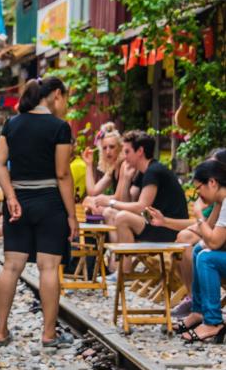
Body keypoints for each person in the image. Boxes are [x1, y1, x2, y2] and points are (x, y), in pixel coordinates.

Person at [0, 77, 77, 348]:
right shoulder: (60, 128)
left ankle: (0, 331)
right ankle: (49, 334)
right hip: (50, 202)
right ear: (55, 95)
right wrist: (72, 215)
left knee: (11, 266)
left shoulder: (12, 123)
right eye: (63, 97)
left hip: (18, 203)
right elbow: (63, 174)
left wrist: (11, 196)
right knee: (48, 267)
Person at [145, 148, 226, 318]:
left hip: (219, 247)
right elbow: (206, 227)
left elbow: (210, 236)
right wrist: (165, 221)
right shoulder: (218, 200)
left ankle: (208, 315)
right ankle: (197, 306)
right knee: (191, 243)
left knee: (203, 255)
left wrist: (196, 216)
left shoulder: (221, 197)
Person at [95, 131, 188, 275]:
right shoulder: (148, 171)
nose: (124, 156)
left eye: (127, 151)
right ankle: (118, 269)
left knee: (122, 217)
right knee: (116, 214)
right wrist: (125, 179)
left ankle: (123, 271)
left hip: (170, 228)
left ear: (140, 151)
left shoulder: (153, 171)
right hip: (159, 224)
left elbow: (141, 207)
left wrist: (111, 202)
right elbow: (130, 203)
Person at [176, 160, 226, 343]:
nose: (198, 195)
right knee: (199, 249)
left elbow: (214, 241)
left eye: (199, 189)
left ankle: (213, 322)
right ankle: (198, 312)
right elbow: (210, 232)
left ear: (212, 183)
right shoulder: (222, 202)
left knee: (207, 258)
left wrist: (198, 215)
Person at [81, 122, 125, 215]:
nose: (108, 151)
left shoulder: (124, 165)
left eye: (112, 147)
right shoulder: (113, 169)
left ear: (120, 147)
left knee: (92, 204)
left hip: (129, 211)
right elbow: (92, 192)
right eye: (104, 148)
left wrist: (102, 199)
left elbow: (121, 198)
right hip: (119, 209)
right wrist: (88, 165)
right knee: (88, 200)